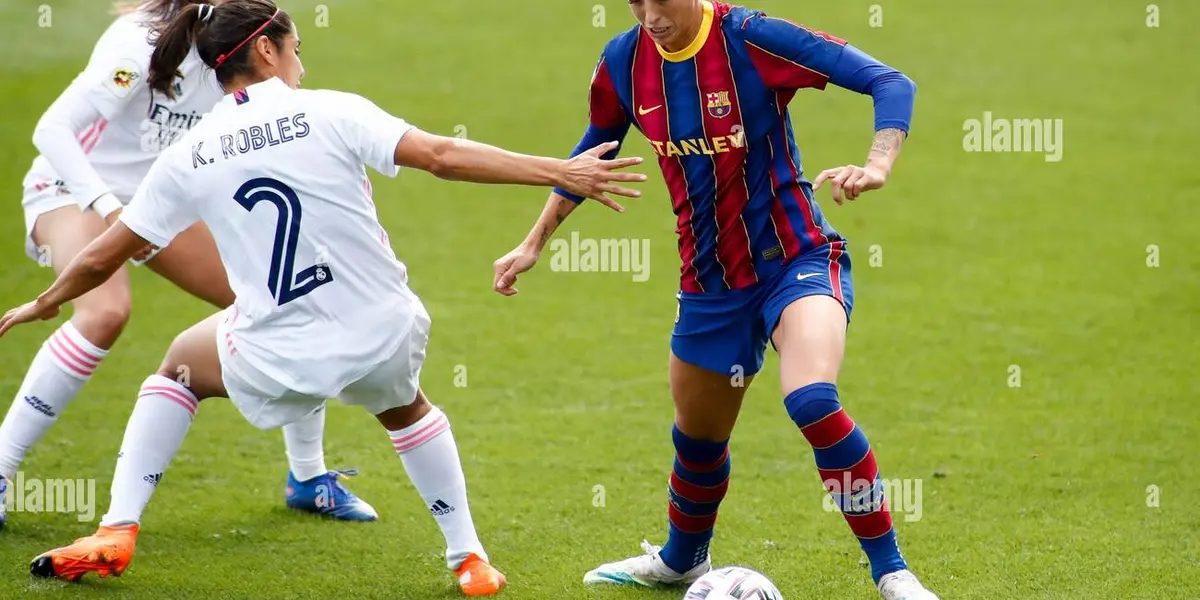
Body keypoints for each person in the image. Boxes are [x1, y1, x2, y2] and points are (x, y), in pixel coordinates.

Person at [0, 0, 645, 595]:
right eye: (298, 47)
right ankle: (469, 557)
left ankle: (117, 528)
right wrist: (562, 170)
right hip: (384, 329)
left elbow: (103, 254)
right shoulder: (336, 109)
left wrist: (48, 300)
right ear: (269, 51)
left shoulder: (188, 155)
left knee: (176, 367)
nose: (303, 62)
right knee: (409, 410)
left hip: (277, 350)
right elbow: (444, 156)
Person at [491, 1, 937, 598]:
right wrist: (533, 242)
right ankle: (682, 561)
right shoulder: (624, 61)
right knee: (698, 438)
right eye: (634, 2)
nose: (648, 15)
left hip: (797, 261)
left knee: (812, 400)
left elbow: (889, 80)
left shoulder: (754, 39)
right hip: (710, 284)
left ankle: (892, 572)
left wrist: (879, 164)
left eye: (660, 0)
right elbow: (590, 153)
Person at [0, 0, 378, 527]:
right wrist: (110, 210)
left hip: (156, 199)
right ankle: (2, 468)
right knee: (104, 313)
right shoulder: (137, 44)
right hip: (73, 188)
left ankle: (308, 478)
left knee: (281, 299)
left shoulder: (242, 44)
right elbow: (53, 130)